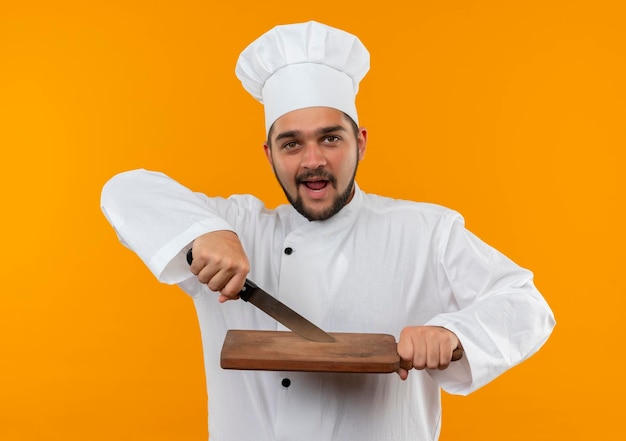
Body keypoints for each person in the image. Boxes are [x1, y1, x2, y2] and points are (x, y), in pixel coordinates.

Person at [101, 21, 555, 441]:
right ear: (269, 154)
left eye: (331, 138)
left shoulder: (426, 231)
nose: (312, 160)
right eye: (292, 143)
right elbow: (124, 189)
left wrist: (455, 335)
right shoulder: (237, 225)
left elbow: (526, 304)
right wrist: (204, 231)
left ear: (360, 142)